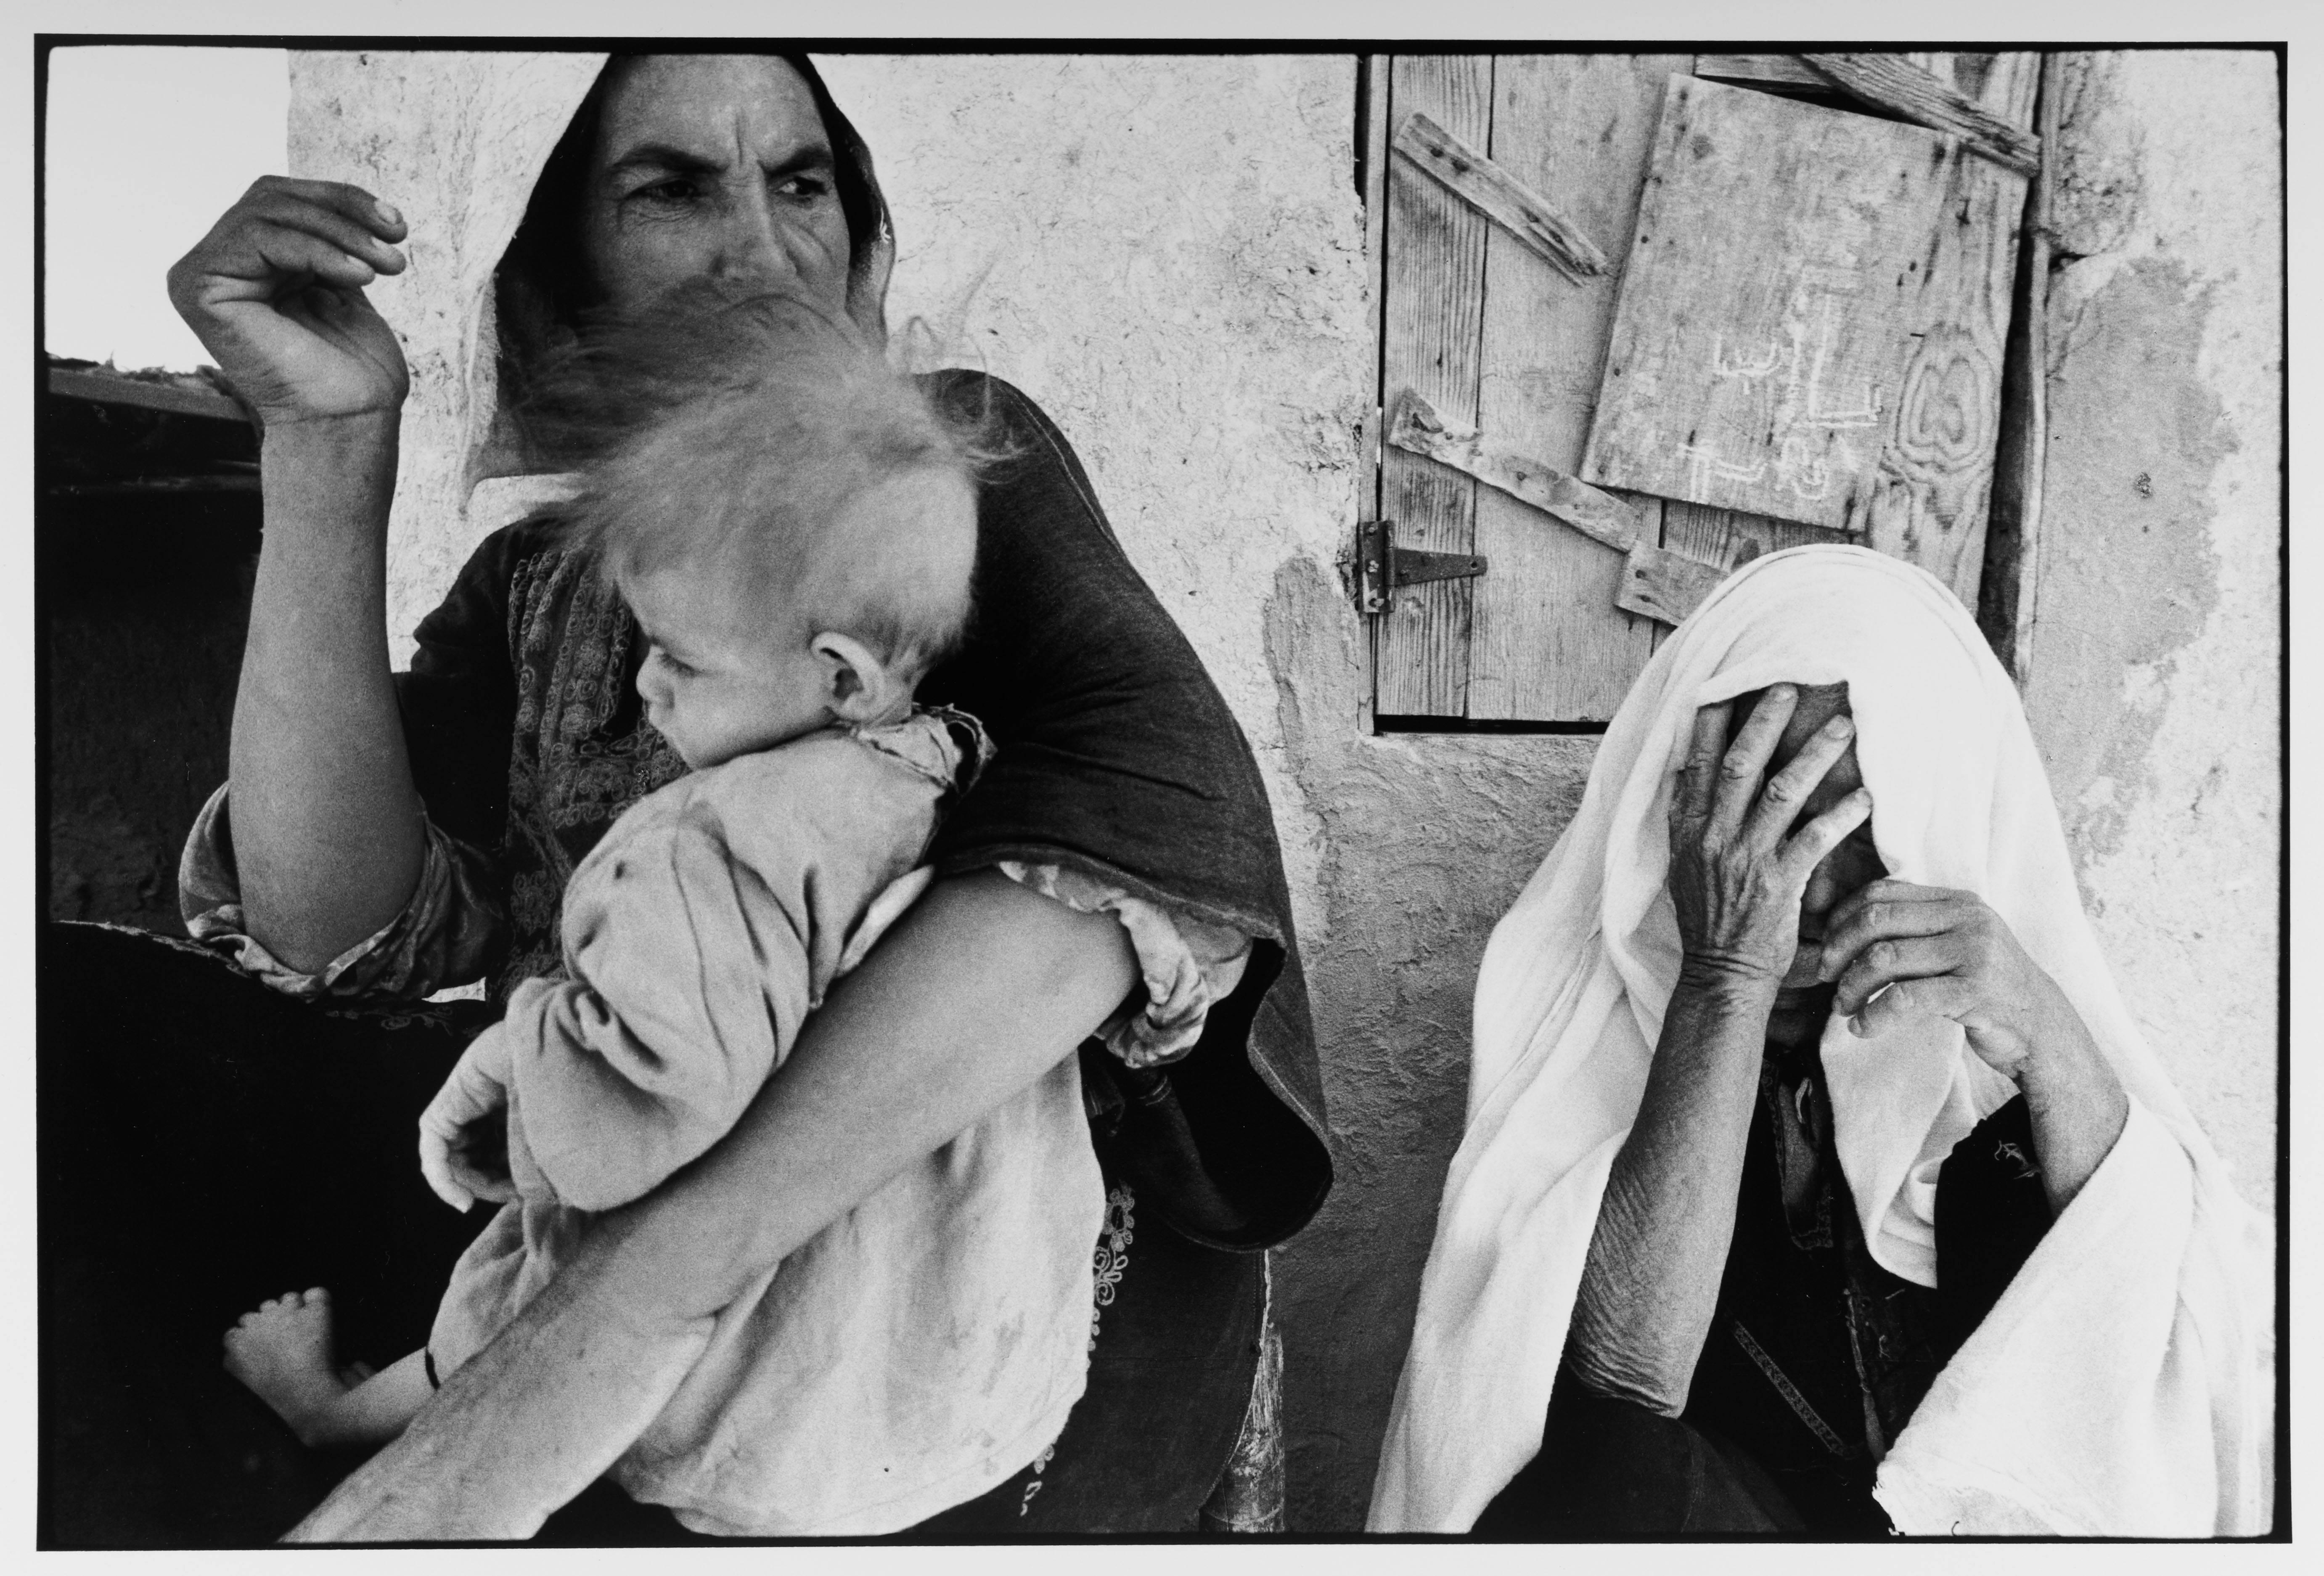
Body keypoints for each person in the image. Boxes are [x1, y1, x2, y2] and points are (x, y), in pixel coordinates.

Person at [40, 53, 1329, 1546]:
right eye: (671, 188)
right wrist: (329, 448)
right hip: (621, 1232)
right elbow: (337, 919)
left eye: (801, 182)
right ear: (562, 253)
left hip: (944, 1332)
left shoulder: (935, 468)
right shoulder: (552, 577)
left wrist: (629, 1295)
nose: (763, 247)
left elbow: (1144, 832)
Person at [215, 283, 1122, 1538]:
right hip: (938, 1367)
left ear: (840, 673)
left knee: (506, 1302)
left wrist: (527, 1051)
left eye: (677, 656)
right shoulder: (949, 769)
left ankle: (330, 1411)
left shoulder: (708, 847)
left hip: (748, 1401)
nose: (643, 685)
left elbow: (632, 1126)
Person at [1369, 546, 2270, 1537]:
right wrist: (1725, 978)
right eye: (1768, 816)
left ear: (1943, 829)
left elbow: (2173, 1369)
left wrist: (2051, 1037)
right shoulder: (1592, 1025)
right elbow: (1618, 1400)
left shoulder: (1996, 1040)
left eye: (1858, 828)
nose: (1801, 889)